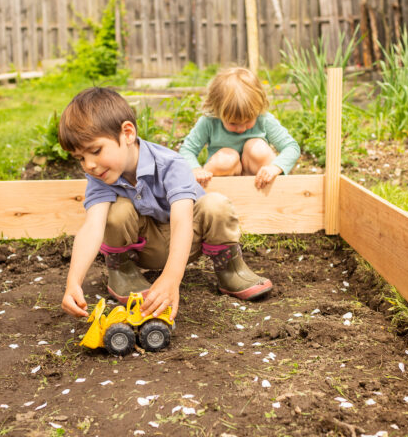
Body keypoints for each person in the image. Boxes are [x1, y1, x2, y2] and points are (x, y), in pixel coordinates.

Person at [57, 87, 273, 320]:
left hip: (187, 241)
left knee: (215, 204)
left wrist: (171, 278)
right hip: (143, 248)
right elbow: (92, 227)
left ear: (127, 133)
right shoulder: (100, 175)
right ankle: (123, 272)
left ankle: (231, 269)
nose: (88, 165)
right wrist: (73, 282)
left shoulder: (170, 164)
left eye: (95, 151)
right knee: (114, 211)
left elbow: (182, 221)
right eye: (80, 158)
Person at [179, 67, 300, 189]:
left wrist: (275, 167)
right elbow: (187, 150)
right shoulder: (210, 121)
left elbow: (291, 147)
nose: (241, 128)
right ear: (217, 111)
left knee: (257, 148)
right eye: (233, 123)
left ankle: (268, 192)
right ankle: (206, 193)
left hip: (258, 182)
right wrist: (196, 169)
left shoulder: (263, 119)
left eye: (248, 121)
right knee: (227, 158)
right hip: (222, 184)